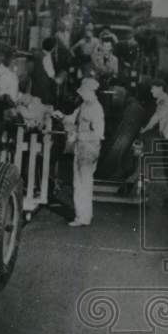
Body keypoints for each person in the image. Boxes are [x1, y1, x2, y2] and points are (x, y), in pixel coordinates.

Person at [54, 77, 104, 227]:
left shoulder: (96, 109)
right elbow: (72, 119)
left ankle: (84, 217)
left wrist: (77, 135)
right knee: (78, 183)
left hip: (89, 150)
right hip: (80, 147)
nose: (81, 95)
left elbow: (98, 134)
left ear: (90, 91)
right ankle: (82, 215)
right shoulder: (83, 105)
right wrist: (62, 117)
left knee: (84, 184)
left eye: (83, 92)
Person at [140, 78, 168, 202]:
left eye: (153, 88)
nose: (151, 90)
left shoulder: (164, 101)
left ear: (160, 88)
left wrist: (144, 129)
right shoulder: (165, 100)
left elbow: (156, 117)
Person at [29, 36, 64, 105]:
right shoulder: (47, 57)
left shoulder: (39, 54)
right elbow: (51, 75)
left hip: (35, 85)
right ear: (52, 48)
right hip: (43, 87)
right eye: (55, 47)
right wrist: (59, 79)